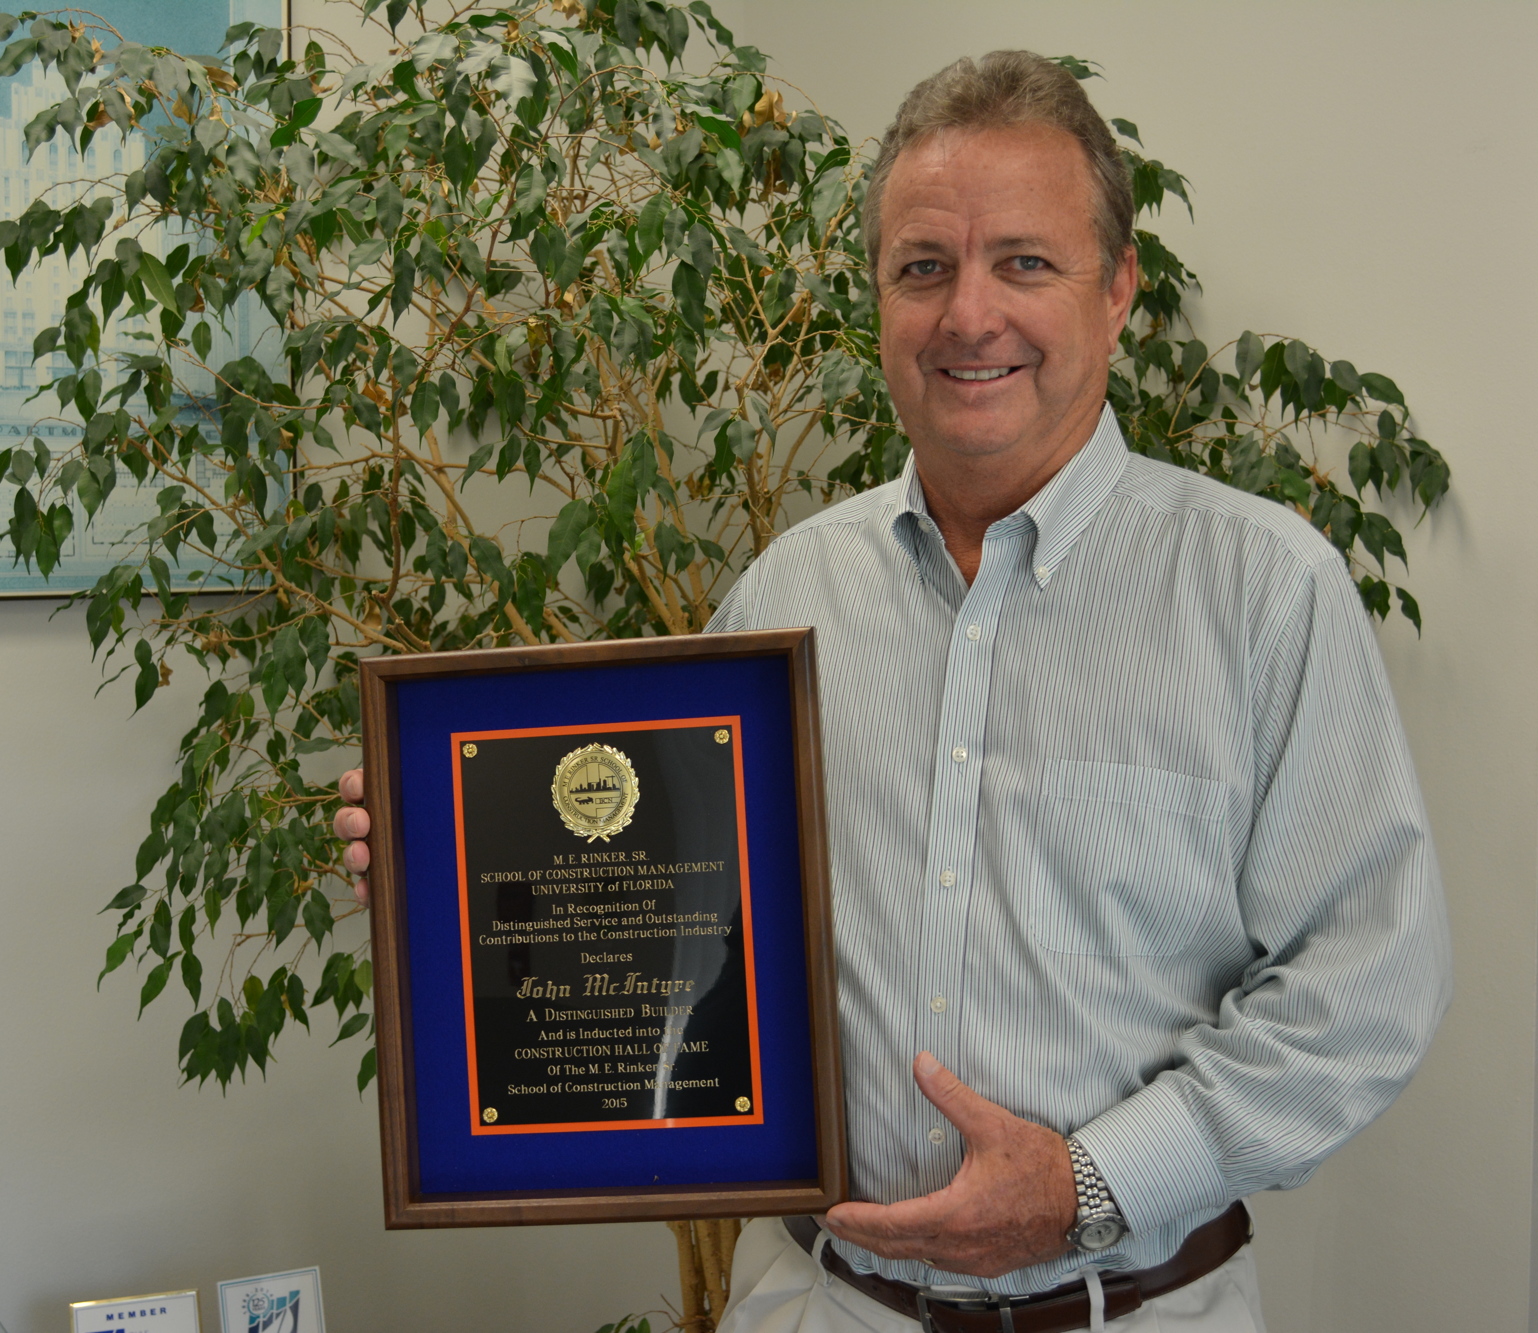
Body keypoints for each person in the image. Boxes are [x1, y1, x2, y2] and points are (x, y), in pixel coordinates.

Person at [336, 50, 1450, 1333]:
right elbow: (681, 926)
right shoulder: (783, 597)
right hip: (822, 1303)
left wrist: (1089, 1183)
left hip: (1132, 1306)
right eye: (923, 267)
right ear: (877, 300)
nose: (968, 314)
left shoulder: (1265, 592)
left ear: (1118, 288)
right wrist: (461, 881)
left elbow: (1363, 984)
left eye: (1023, 261)